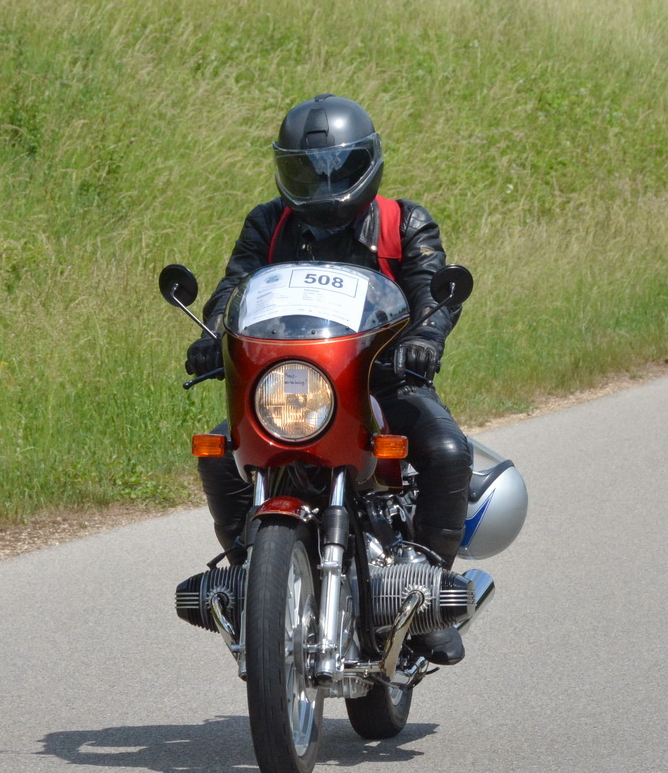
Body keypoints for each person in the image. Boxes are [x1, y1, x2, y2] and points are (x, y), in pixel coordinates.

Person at [188, 94, 473, 665]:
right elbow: (234, 286)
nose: (320, 185)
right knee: (218, 452)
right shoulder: (268, 223)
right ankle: (252, 577)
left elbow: (432, 291)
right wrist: (211, 334)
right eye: (304, 170)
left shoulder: (404, 222)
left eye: (336, 169)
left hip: (381, 379)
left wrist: (424, 339)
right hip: (290, 383)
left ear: (365, 164)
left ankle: (427, 592)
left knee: (446, 450)